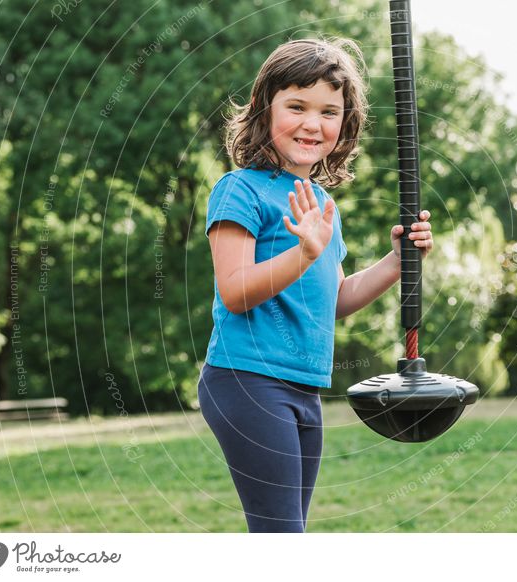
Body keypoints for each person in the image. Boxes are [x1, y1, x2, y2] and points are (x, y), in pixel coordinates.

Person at [198, 37, 434, 533]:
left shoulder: (322, 203)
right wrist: (303, 251)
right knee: (282, 535)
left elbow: (334, 300)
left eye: (329, 111)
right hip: (247, 379)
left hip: (304, 387)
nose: (312, 123)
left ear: (344, 125)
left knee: (289, 532)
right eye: (297, 106)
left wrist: (395, 263)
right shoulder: (240, 189)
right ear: (265, 109)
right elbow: (235, 292)